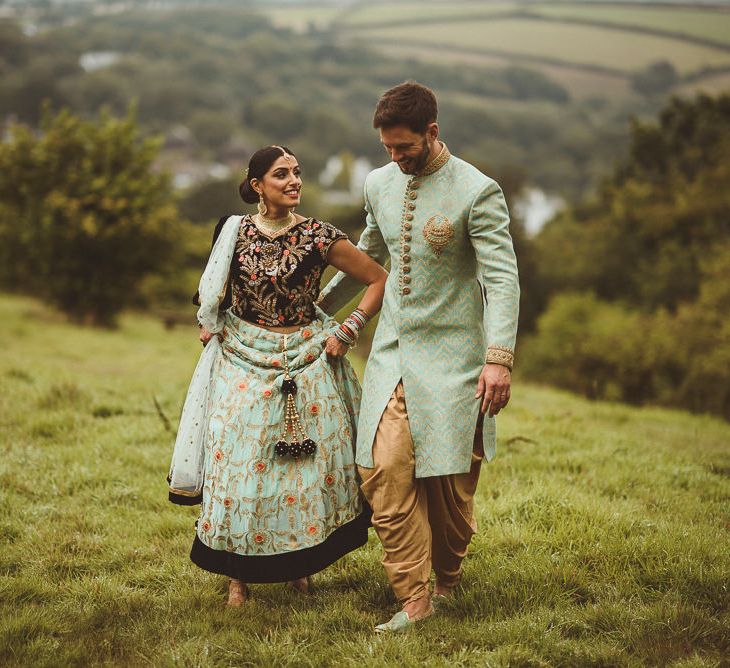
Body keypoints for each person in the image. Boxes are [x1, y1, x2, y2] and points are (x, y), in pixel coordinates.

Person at [318, 82, 520, 632]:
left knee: (450, 490)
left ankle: (448, 576)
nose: (395, 158)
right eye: (388, 148)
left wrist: (498, 358)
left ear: (432, 132)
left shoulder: (478, 191)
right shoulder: (379, 183)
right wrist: (311, 307)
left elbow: (502, 280)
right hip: (391, 354)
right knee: (380, 469)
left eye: (404, 147)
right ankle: (414, 596)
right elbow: (369, 256)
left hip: (456, 361)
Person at [168, 145, 387, 606]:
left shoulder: (318, 236)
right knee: (237, 467)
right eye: (281, 174)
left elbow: (377, 278)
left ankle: (298, 567)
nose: (294, 181)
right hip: (242, 360)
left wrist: (348, 330)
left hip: (307, 361)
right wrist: (209, 328)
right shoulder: (232, 232)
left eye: (297, 173)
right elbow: (214, 293)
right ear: (256, 185)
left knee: (299, 471)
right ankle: (237, 579)